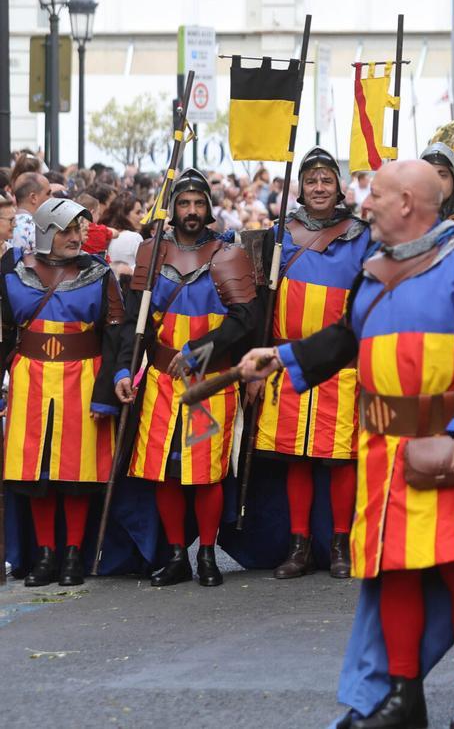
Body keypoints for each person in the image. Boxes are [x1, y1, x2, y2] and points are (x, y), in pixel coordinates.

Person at [236, 159, 454, 729]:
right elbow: (346, 338)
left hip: (446, 442)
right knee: (392, 569)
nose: (365, 205)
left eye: (378, 196)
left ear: (409, 204)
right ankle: (401, 695)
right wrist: (283, 357)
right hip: (383, 448)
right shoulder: (373, 269)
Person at [113, 169, 260, 588]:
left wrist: (201, 349)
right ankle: (178, 554)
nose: (191, 211)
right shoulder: (151, 253)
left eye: (198, 204)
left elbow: (247, 320)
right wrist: (125, 368)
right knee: (163, 469)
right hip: (160, 382)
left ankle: (208, 554)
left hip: (208, 382)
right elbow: (134, 325)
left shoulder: (227, 254)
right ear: (173, 209)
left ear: (208, 209)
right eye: (184, 204)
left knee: (207, 472)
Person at [248, 147, 374, 580]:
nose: (319, 187)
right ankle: (299, 546)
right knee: (295, 457)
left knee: (340, 457)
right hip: (288, 360)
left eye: (326, 179)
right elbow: (262, 304)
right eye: (311, 180)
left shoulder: (363, 235)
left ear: (340, 186)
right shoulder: (278, 234)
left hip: (341, 363)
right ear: (300, 187)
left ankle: (341, 544)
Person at [1, 199, 125, 586]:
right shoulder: (15, 275)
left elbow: (117, 336)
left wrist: (107, 389)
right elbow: (6, 334)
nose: (75, 238)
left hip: (83, 379)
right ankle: (44, 555)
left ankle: (73, 555)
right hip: (30, 381)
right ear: (46, 232)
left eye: (78, 230)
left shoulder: (99, 274)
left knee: (76, 473)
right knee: (38, 476)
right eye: (66, 231)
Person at [12, 171, 50, 254]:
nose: (51, 198)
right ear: (33, 198)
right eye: (48, 193)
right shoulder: (36, 229)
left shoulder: (6, 224)